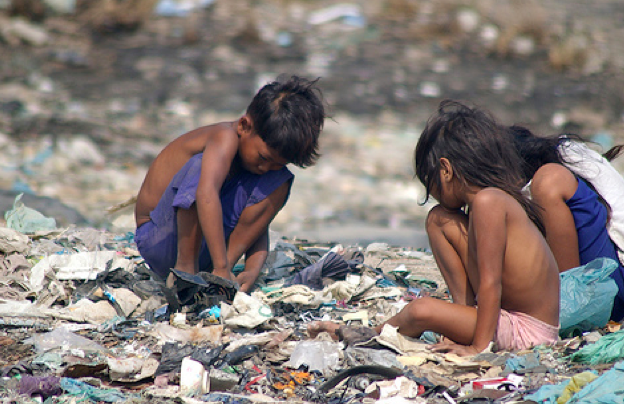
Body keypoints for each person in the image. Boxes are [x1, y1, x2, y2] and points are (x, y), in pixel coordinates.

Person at [309, 100, 561, 355]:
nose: (432, 195)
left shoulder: (488, 202)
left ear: (446, 170)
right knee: (438, 219)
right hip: (506, 318)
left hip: (527, 332)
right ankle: (459, 317)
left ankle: (372, 335)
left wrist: (477, 348)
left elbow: (490, 284)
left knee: (421, 310)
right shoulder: (486, 201)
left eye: (430, 184)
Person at [134, 76, 325, 297]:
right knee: (200, 168)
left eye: (276, 162)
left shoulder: (257, 163)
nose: (265, 167)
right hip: (159, 239)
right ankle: (185, 271)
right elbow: (205, 195)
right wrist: (222, 266)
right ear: (244, 126)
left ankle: (218, 279)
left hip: (204, 252)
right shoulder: (224, 137)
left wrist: (252, 269)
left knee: (278, 181)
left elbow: (258, 222)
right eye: (263, 157)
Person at [511, 126, 624, 320]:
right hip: (611, 272)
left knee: (549, 182)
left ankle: (568, 305)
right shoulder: (569, 155)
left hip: (614, 283)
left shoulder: (550, 179)